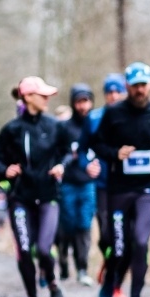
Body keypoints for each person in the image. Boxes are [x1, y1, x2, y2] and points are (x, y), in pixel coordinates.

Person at [0, 76, 68, 297]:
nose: (47, 99)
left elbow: (69, 152)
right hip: (20, 198)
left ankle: (51, 280)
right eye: (43, 95)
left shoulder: (54, 126)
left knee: (43, 249)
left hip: (48, 197)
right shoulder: (12, 129)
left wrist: (62, 165)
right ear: (28, 97)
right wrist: (4, 170)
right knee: (24, 249)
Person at [90, 63, 150, 297]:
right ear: (128, 87)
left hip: (147, 189)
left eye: (144, 84)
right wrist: (114, 154)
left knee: (141, 243)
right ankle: (111, 276)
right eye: (135, 85)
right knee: (118, 247)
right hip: (119, 189)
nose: (140, 90)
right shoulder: (113, 114)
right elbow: (95, 143)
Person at [79, 73, 128, 294]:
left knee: (127, 236)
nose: (114, 95)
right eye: (109, 92)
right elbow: (82, 150)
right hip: (102, 185)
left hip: (129, 184)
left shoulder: (133, 116)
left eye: (118, 91)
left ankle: (115, 280)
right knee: (107, 236)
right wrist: (87, 164)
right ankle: (108, 262)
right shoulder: (95, 118)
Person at [56, 83, 101, 286]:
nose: (83, 106)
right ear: (73, 104)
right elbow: (57, 153)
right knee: (67, 226)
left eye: (86, 101)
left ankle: (82, 269)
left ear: (91, 101)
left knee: (84, 225)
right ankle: (64, 261)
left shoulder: (98, 124)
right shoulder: (65, 128)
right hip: (67, 184)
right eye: (78, 102)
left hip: (88, 184)